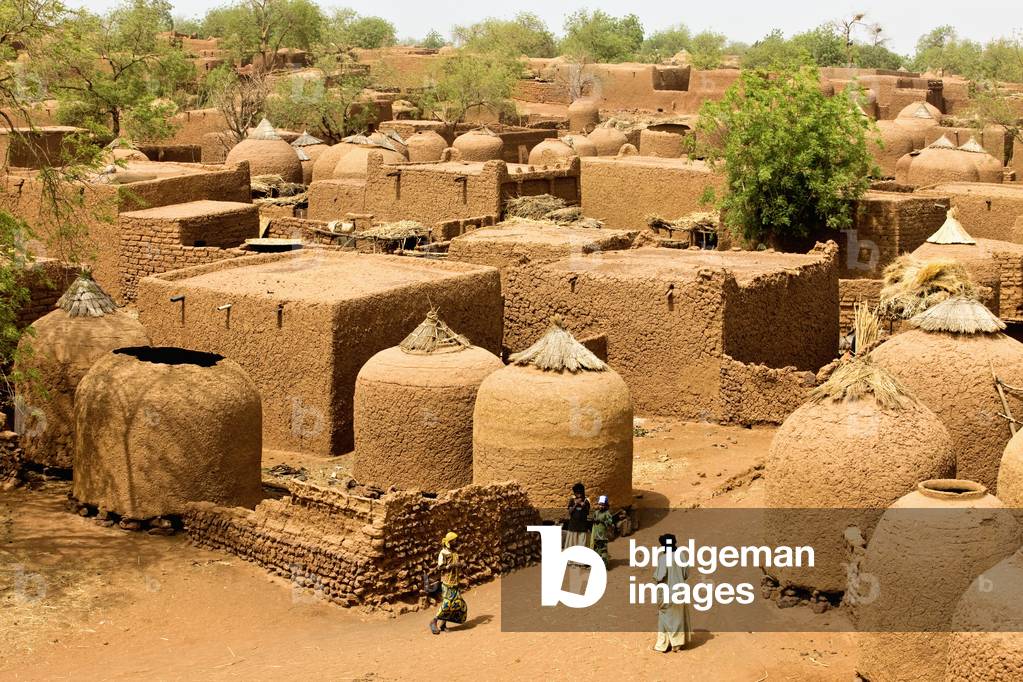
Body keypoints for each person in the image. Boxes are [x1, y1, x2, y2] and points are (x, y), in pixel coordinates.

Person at [653, 533, 693, 653]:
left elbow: (659, 576)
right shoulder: (681, 555)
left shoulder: (663, 558)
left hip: (667, 593)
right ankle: (677, 644)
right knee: (678, 618)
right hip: (680, 592)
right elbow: (686, 574)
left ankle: (662, 645)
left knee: (664, 617)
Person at [430, 531, 467, 635]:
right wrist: (450, 566)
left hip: (455, 581)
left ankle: (443, 625)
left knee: (455, 604)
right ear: (450, 541)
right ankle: (434, 621)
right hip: (447, 582)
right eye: (454, 540)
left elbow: (456, 563)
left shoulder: (454, 552)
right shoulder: (443, 553)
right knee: (447, 604)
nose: (456, 542)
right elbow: (439, 567)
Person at [563, 482, 591, 551]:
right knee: (572, 543)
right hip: (573, 526)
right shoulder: (572, 500)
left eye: (579, 492)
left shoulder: (586, 501)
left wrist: (583, 505)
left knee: (581, 543)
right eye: (576, 492)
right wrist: (575, 504)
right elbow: (570, 512)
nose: (578, 494)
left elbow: (587, 512)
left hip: (582, 526)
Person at [590, 495, 614, 567]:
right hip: (596, 534)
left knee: (603, 549)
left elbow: (610, 522)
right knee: (596, 549)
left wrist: (602, 521)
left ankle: (605, 564)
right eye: (600, 504)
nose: (601, 506)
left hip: (603, 535)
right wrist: (594, 520)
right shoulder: (596, 512)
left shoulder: (607, 513)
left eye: (602, 505)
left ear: (606, 505)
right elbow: (593, 519)